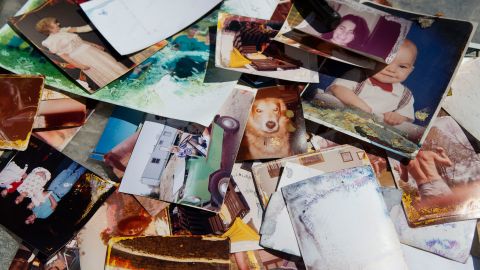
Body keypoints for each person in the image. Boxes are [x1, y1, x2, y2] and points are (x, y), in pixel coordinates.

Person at [325, 39, 418, 126]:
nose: (392, 69)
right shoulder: (358, 75)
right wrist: (362, 107)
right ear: (369, 59)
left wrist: (399, 117)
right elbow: (338, 88)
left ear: (410, 70)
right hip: (336, 119)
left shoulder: (404, 95)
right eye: (386, 61)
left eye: (402, 66)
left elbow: (406, 116)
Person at [35, 17, 128, 88]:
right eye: (55, 23)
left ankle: (128, 80)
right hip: (82, 57)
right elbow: (64, 56)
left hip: (91, 50)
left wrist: (94, 45)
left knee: (110, 64)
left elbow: (81, 40)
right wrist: (79, 65)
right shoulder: (49, 42)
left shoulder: (64, 30)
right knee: (103, 70)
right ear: (48, 28)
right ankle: (120, 87)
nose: (58, 23)